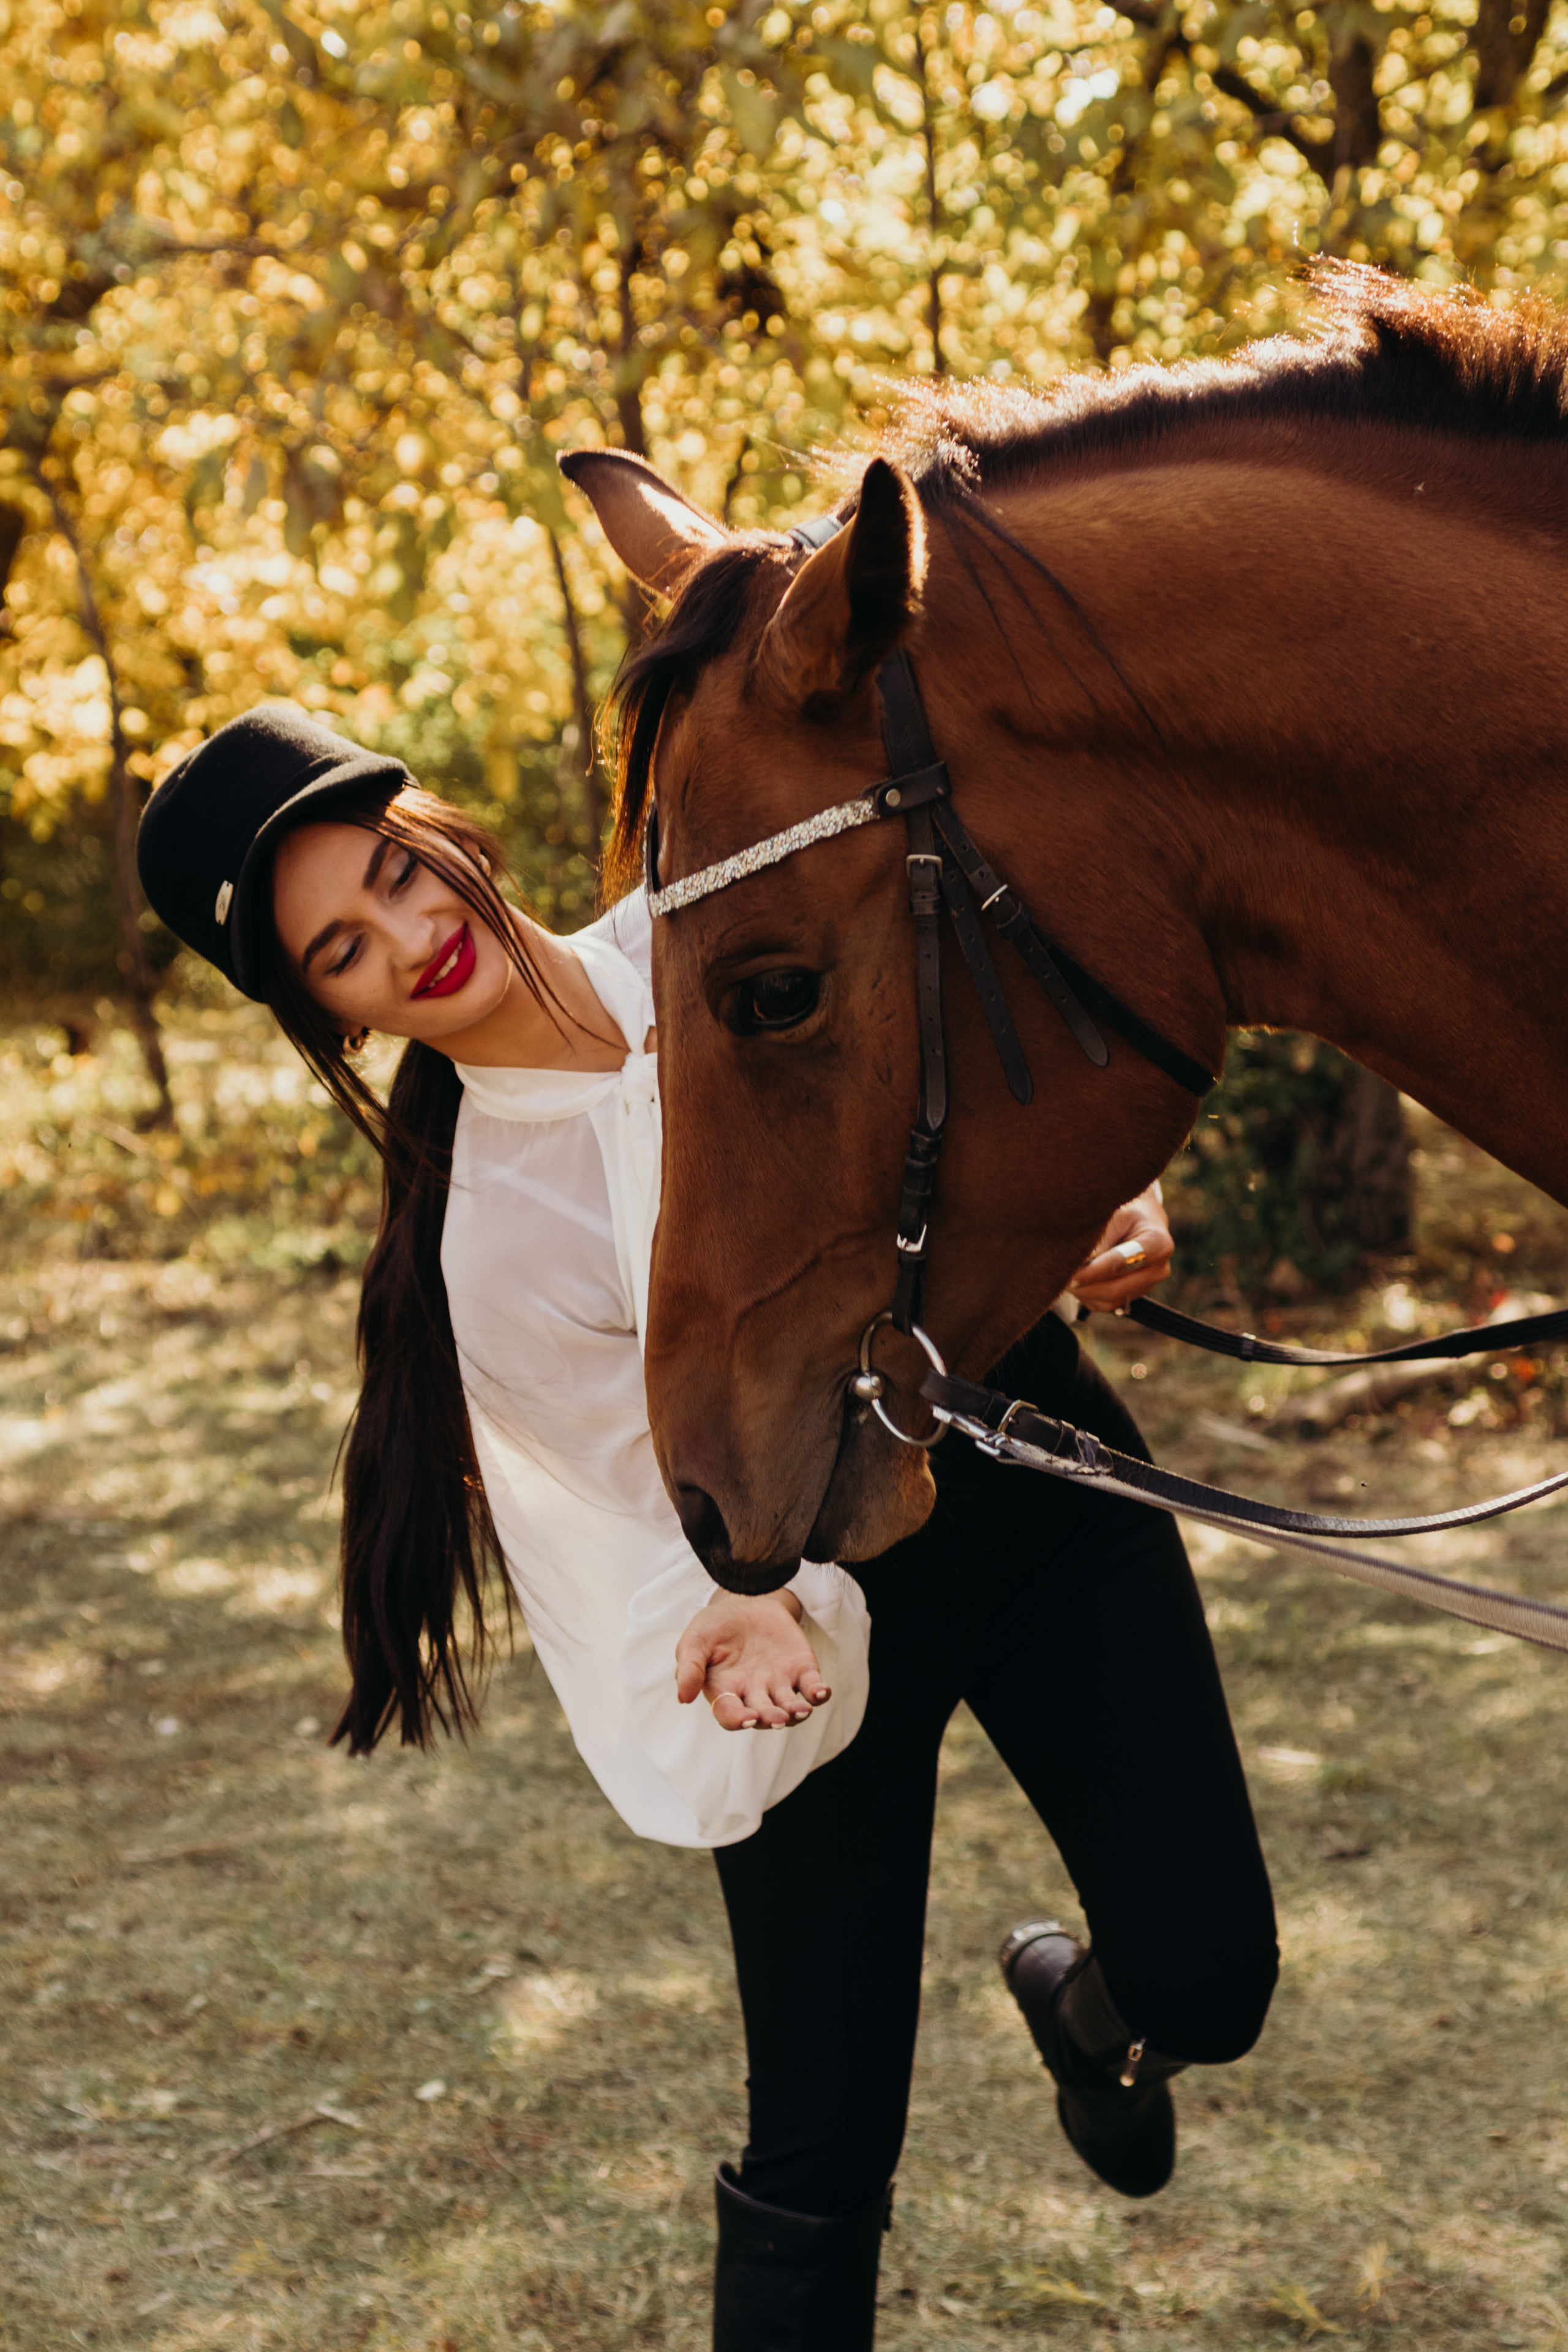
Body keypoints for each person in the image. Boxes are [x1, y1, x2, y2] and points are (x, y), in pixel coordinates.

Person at [135, 704, 1278, 2351]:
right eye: (343, 950)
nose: (412, 936)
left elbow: (987, 1086)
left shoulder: (733, 930)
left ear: (438, 822)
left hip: (1033, 1492)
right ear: (325, 1011)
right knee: (825, 2149)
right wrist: (744, 1604)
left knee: (1211, 1983)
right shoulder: (499, 1245)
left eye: (395, 872)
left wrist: (1100, 1200)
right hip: (797, 1628)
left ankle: (1090, 2012)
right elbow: (622, 1507)